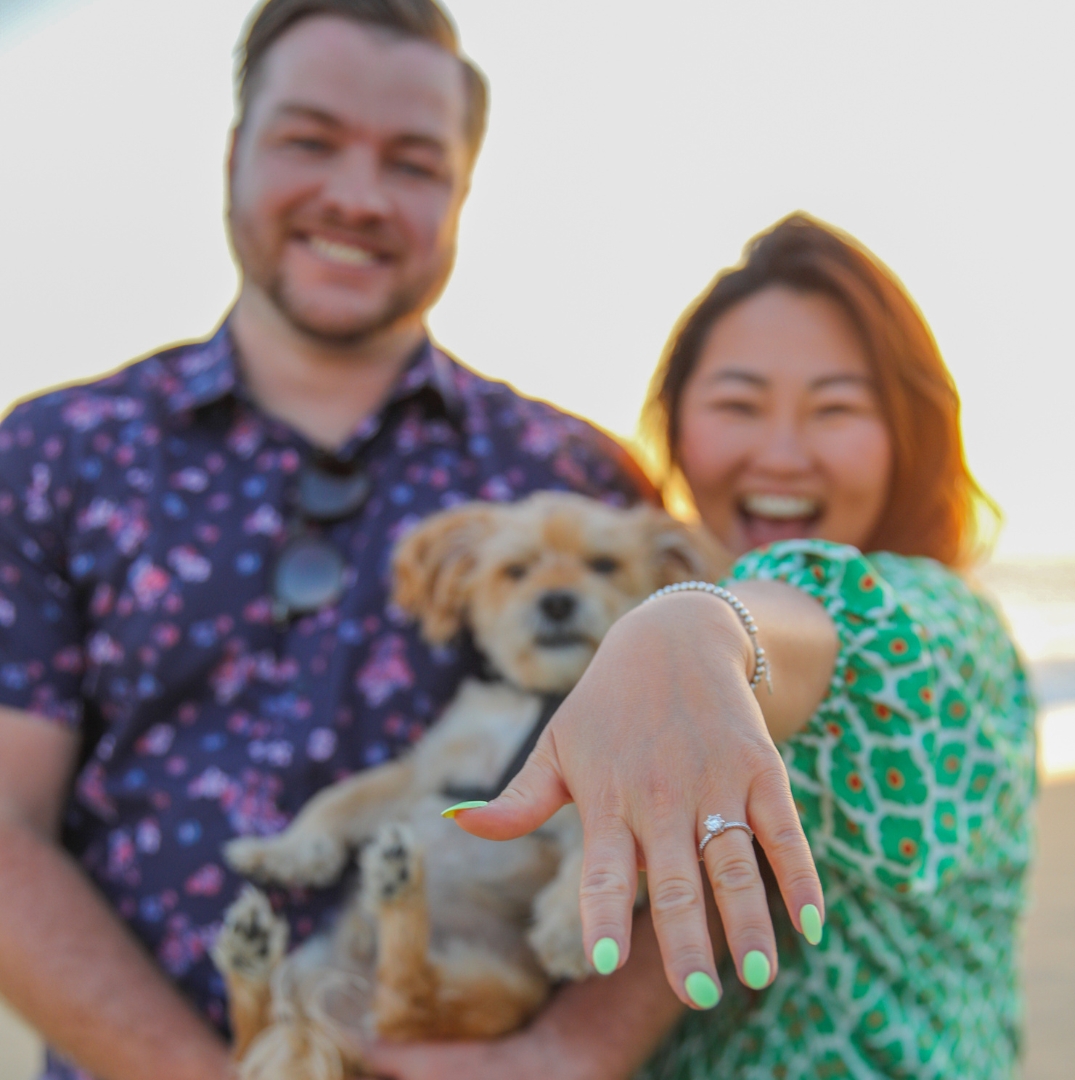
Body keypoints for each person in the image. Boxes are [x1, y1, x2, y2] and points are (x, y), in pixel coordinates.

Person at [3, 3, 823, 1079]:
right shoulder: (55, 457)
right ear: (235, 149)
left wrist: (568, 1056)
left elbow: (692, 776)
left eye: (412, 161)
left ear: (462, 191)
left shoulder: (577, 476)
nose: (356, 195)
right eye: (308, 140)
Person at [451, 214, 1036, 1078]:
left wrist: (693, 625)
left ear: (910, 432)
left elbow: (839, 624)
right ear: (676, 426)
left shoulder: (947, 634)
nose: (782, 453)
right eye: (738, 404)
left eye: (835, 408)